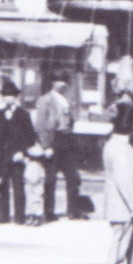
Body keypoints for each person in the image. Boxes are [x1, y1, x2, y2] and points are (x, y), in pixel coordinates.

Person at [103, 101, 133, 264]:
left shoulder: (112, 145)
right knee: (120, 241)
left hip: (117, 204)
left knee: (124, 239)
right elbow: (124, 179)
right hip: (123, 206)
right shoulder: (122, 150)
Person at [35, 73, 83, 222]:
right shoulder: (45, 100)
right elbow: (41, 124)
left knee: (73, 177)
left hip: (66, 140)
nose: (62, 84)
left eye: (64, 82)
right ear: (53, 83)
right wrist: (46, 145)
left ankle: (73, 211)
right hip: (53, 139)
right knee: (50, 178)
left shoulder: (66, 100)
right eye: (59, 81)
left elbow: (71, 120)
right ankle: (49, 212)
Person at [0, 77, 37, 225]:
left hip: (17, 157)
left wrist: (22, 152)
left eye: (11, 95)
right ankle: (3, 217)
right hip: (2, 156)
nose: (8, 98)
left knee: (18, 186)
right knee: (2, 185)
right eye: (5, 95)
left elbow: (30, 137)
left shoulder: (23, 115)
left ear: (16, 97)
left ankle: (19, 217)